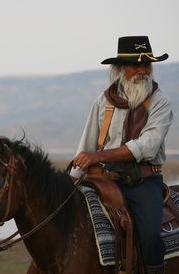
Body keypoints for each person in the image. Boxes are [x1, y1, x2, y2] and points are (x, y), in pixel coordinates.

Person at [71, 36, 173, 274]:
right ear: (119, 69)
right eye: (135, 64)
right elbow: (86, 145)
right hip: (104, 180)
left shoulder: (160, 101)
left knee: (149, 235)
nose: (142, 70)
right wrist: (73, 179)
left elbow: (148, 145)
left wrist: (99, 157)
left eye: (147, 64)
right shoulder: (103, 101)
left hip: (143, 182)